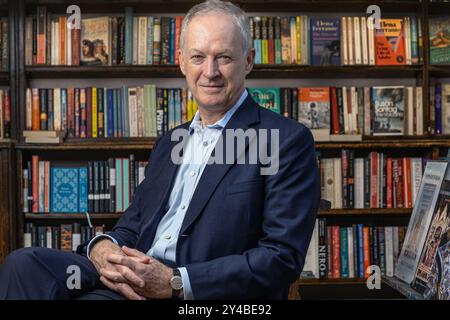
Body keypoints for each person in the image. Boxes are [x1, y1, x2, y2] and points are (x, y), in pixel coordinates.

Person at [0, 0, 320, 300]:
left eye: (224, 57)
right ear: (181, 62)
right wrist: (101, 247)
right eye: (197, 57)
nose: (210, 71)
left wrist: (176, 282)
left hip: (193, 290)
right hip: (135, 275)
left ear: (248, 60)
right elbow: (133, 225)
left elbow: (281, 257)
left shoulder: (284, 140)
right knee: (24, 264)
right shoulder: (170, 142)